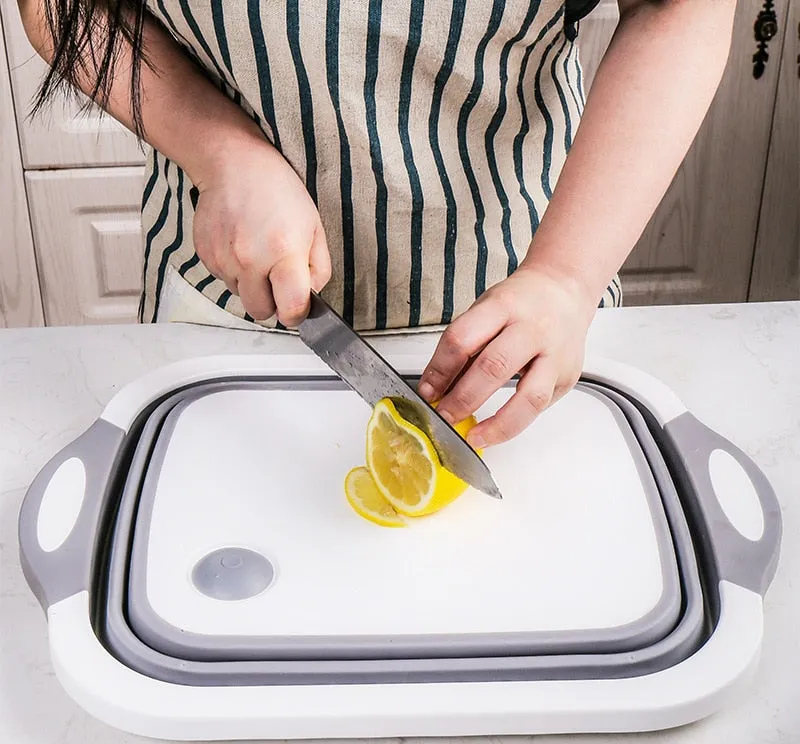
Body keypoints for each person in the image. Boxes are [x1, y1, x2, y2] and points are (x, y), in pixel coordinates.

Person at [19, 0, 735, 449]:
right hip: (220, 304)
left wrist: (566, 277)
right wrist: (219, 150)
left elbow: (681, 9)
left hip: (526, 313)